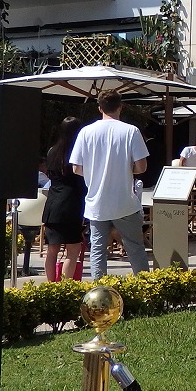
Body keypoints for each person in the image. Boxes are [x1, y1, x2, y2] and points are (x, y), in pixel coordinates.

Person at [70, 90, 150, 279]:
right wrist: (125, 170)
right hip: (125, 202)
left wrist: (95, 172)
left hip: (97, 201)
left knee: (98, 250)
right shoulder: (131, 131)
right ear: (120, 107)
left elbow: (76, 168)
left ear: (100, 108)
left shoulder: (86, 132)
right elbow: (142, 167)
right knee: (135, 248)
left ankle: (99, 290)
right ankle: (144, 286)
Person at [42, 118, 87, 282]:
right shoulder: (78, 152)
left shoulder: (52, 151)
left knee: (52, 250)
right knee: (73, 250)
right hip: (71, 204)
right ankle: (65, 286)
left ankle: (50, 284)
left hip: (53, 203)